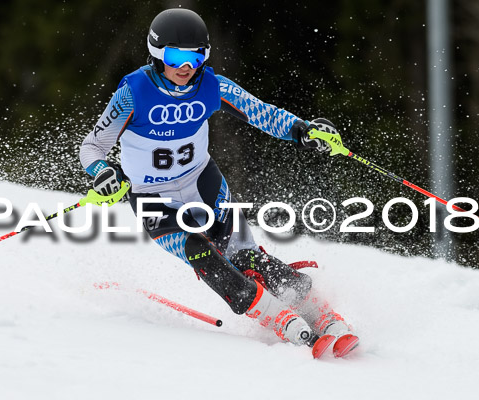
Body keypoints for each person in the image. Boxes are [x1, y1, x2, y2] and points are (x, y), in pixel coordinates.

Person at [79, 8, 358, 358]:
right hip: (153, 199)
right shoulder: (133, 93)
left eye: (197, 55)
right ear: (157, 52)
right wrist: (103, 172)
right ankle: (280, 319)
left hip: (203, 183)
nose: (187, 65)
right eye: (176, 55)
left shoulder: (212, 86)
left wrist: (303, 131)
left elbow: (262, 113)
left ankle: (324, 316)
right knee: (202, 254)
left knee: (246, 257)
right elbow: (92, 146)